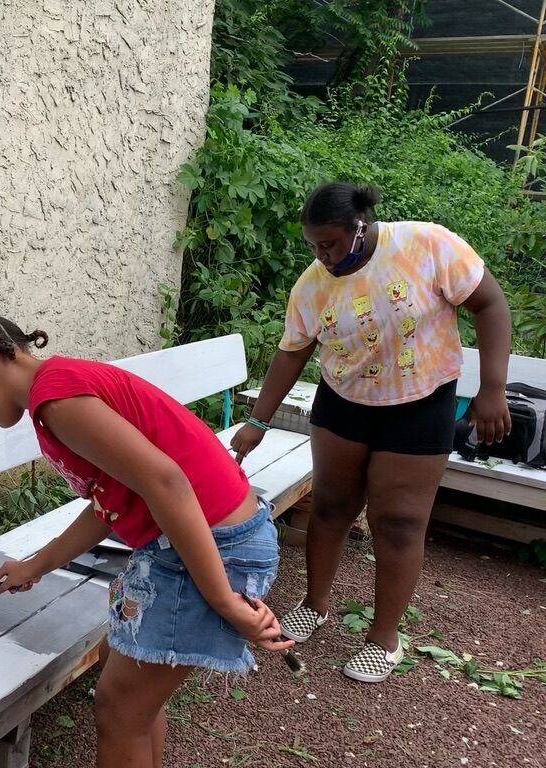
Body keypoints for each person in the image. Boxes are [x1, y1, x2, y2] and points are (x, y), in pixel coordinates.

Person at [0, 315, 293, 768]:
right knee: (129, 690)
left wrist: (223, 600)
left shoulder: (57, 401)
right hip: (199, 538)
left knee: (120, 709)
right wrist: (35, 566)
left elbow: (167, 482)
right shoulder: (59, 385)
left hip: (212, 544)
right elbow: (109, 504)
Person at [231, 181, 512, 683]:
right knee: (331, 507)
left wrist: (492, 387)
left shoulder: (426, 245)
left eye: (330, 244)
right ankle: (314, 604)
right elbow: (292, 352)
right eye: (313, 245)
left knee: (399, 521)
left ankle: (384, 639)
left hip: (421, 403)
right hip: (344, 404)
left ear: (359, 226)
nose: (321, 255)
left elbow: (490, 304)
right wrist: (258, 421)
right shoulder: (313, 285)